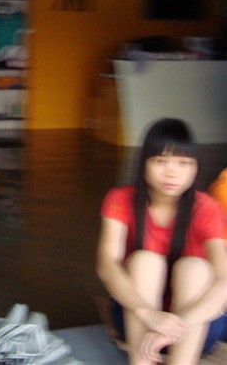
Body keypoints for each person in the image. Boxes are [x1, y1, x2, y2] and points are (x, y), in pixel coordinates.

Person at [96, 118, 226, 365]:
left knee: (195, 267)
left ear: (195, 168)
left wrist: (175, 326)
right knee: (144, 261)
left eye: (184, 163)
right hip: (137, 320)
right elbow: (107, 264)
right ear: (143, 163)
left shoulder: (206, 208)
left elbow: (223, 280)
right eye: (160, 161)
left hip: (195, 328)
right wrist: (149, 314)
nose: (172, 172)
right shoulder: (121, 199)